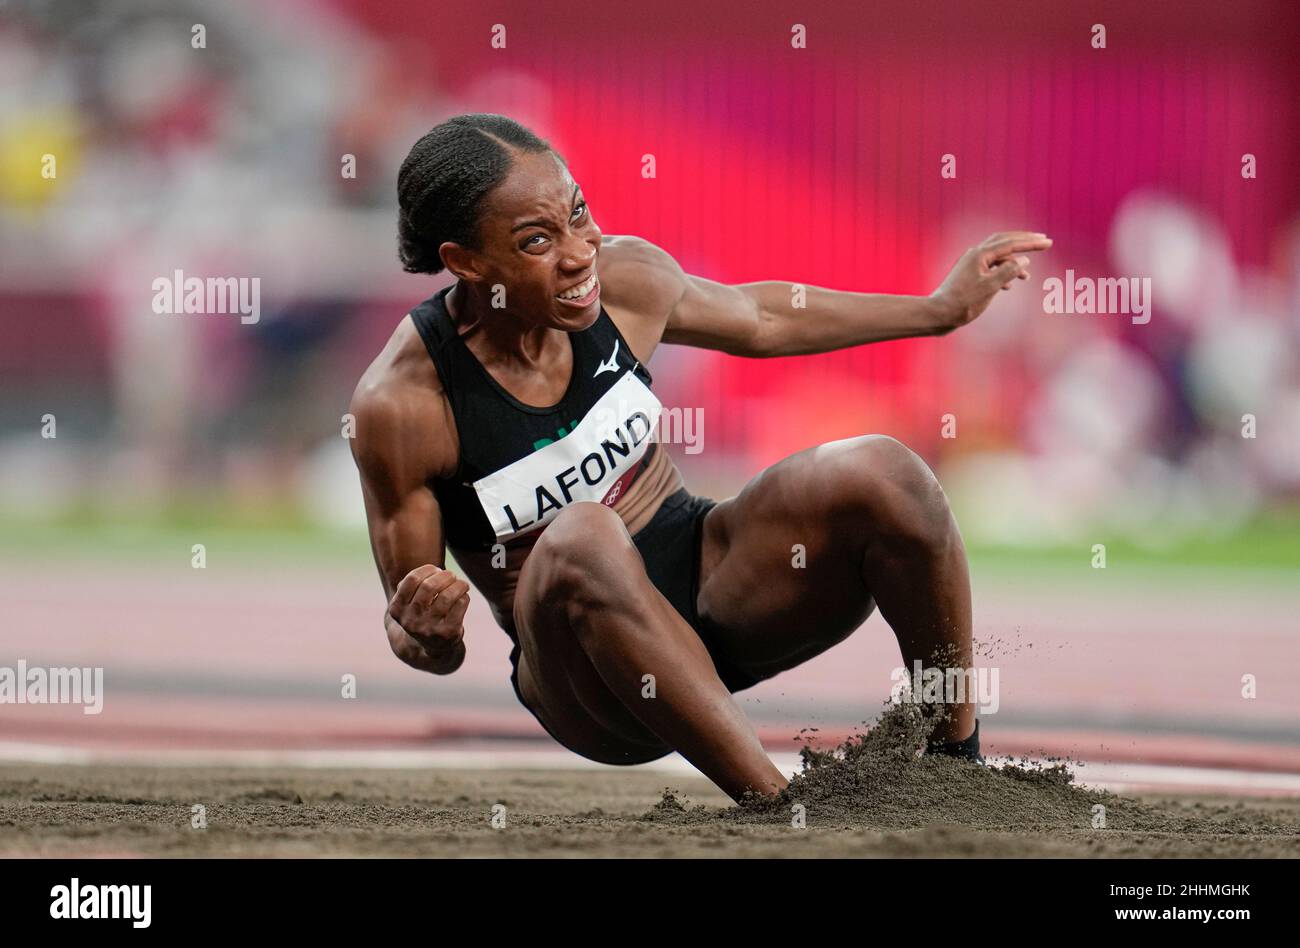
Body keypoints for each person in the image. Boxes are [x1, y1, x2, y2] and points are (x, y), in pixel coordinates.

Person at [350, 113, 1050, 802]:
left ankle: (957, 767)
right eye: (539, 240)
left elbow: (763, 318)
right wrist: (429, 634)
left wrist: (939, 312)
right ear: (465, 262)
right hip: (595, 687)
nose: (579, 251)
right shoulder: (404, 406)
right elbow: (419, 639)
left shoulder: (622, 279)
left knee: (889, 473)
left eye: (578, 213)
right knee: (584, 534)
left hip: (718, 600)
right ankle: (779, 808)